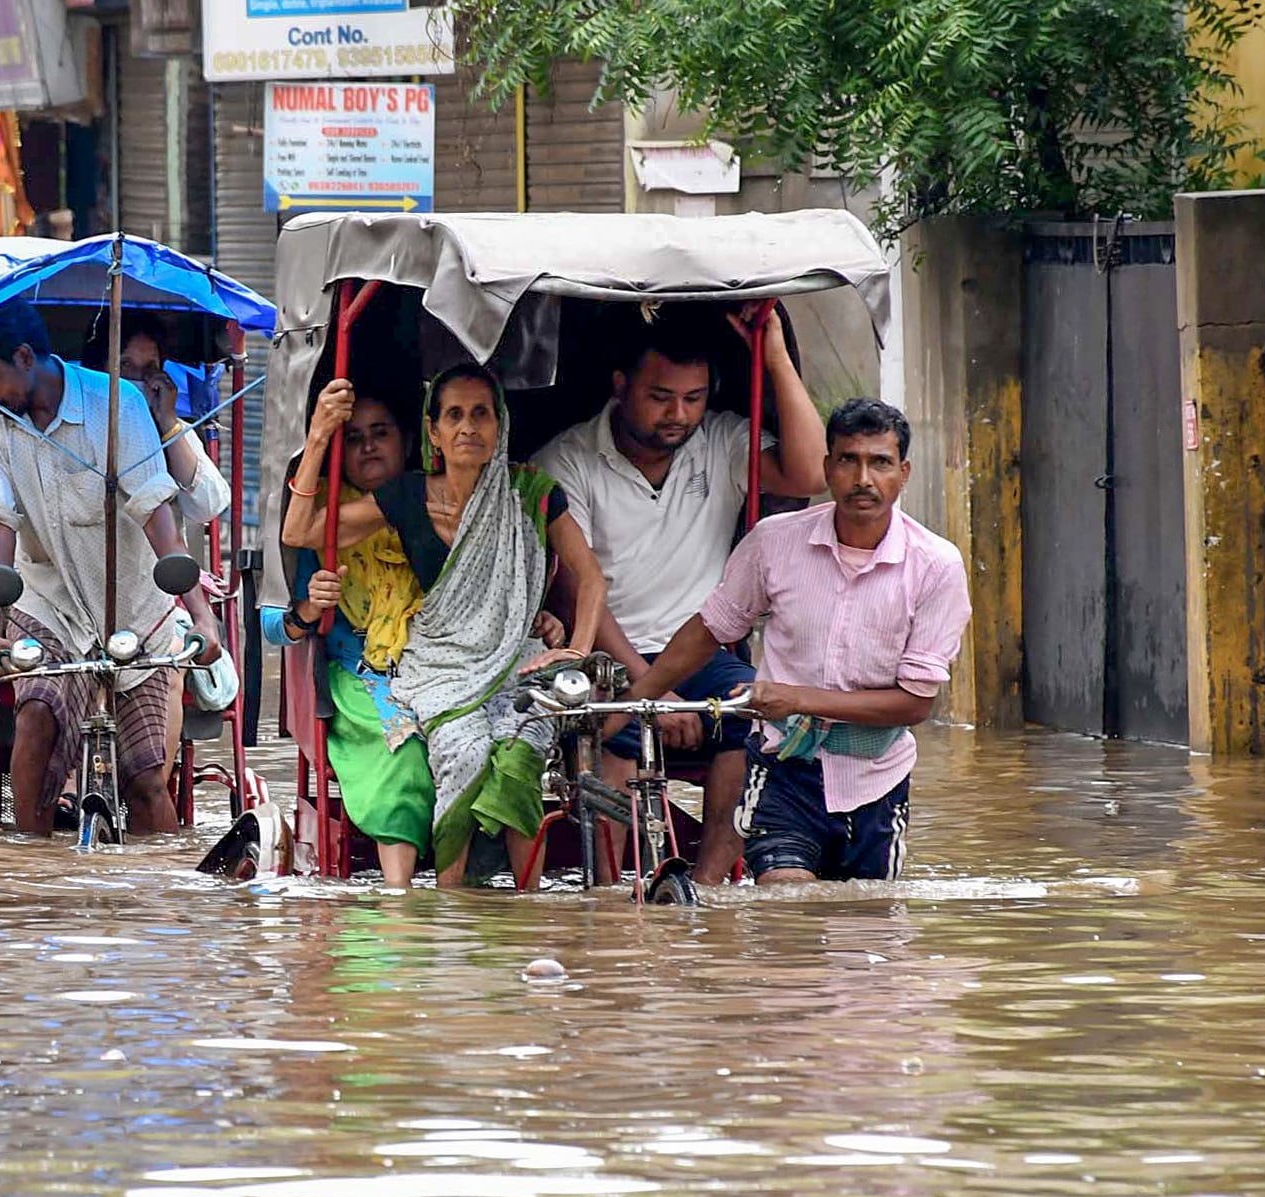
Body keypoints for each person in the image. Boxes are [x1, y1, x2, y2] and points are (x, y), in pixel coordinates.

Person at [282, 364, 607, 886]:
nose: (468, 428)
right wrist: (319, 434)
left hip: (515, 663)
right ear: (433, 431)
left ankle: (528, 904)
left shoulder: (533, 493)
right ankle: (448, 903)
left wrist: (576, 652)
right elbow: (301, 532)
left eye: (481, 414)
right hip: (435, 668)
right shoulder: (407, 495)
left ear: (499, 424)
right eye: (454, 415)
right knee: (465, 753)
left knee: (521, 754)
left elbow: (590, 578)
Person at [625, 399, 971, 885]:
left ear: (903, 473)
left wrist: (795, 699)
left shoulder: (936, 565)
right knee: (785, 900)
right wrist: (636, 698)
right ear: (828, 468)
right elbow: (710, 629)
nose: (863, 479)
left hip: (877, 778)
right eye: (848, 460)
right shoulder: (774, 542)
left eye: (880, 462)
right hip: (782, 768)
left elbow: (915, 704)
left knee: (867, 924)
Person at [535, 309, 827, 886]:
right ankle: (608, 896)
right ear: (621, 387)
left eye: (693, 399)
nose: (678, 415)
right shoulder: (566, 460)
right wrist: (651, 685)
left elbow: (811, 474)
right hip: (608, 655)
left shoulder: (721, 440)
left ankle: (711, 887)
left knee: (755, 719)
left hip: (702, 652)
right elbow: (579, 593)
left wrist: (773, 356)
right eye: (661, 398)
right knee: (610, 731)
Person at [0, 300, 227, 837]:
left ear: (23, 357)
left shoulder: (116, 404)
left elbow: (157, 514)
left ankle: (161, 882)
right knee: (36, 719)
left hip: (134, 604)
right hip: (47, 598)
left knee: (146, 778)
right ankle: (31, 866)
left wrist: (201, 616)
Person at [263, 378, 433, 885]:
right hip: (362, 676)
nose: (368, 447)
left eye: (380, 433)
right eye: (354, 439)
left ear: (407, 440)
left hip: (440, 663)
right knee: (404, 748)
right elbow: (273, 624)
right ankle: (399, 897)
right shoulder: (322, 519)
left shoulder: (435, 503)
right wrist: (309, 607)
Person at [105, 311, 233, 530]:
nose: (138, 376)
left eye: (149, 367)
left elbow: (208, 507)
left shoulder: (172, 430)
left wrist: (167, 422)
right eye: (125, 365)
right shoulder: (73, 426)